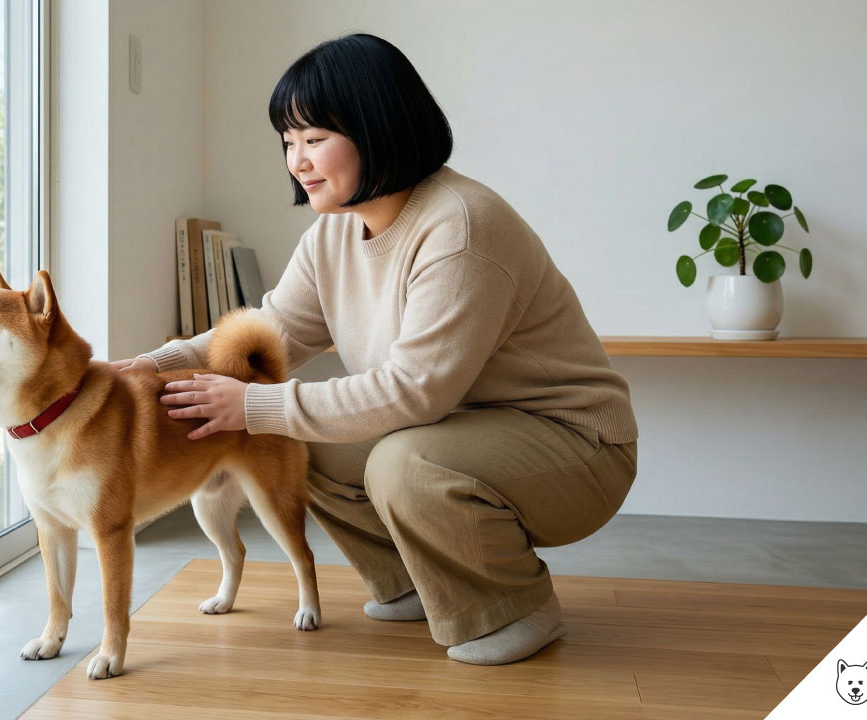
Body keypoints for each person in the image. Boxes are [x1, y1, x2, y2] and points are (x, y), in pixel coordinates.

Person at [110, 32, 638, 666]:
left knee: (404, 463)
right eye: (287, 142)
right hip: (463, 426)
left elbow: (416, 391)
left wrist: (251, 406)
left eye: (313, 140)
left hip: (575, 442)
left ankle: (512, 606)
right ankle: (414, 580)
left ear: (378, 128)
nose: (295, 162)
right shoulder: (335, 231)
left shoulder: (461, 226)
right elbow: (273, 329)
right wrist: (155, 363)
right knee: (299, 439)